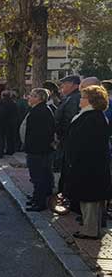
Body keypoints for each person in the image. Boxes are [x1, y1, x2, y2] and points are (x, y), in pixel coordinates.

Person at [64, 85, 111, 239]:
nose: (80, 99)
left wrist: (75, 159)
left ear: (91, 100)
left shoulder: (93, 118)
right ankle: (89, 228)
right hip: (87, 164)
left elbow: (86, 143)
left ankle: (90, 231)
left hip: (89, 166)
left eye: (83, 97)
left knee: (90, 199)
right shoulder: (89, 116)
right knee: (87, 199)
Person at [21, 88, 56, 212]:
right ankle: (37, 198)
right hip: (39, 149)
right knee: (39, 176)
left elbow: (40, 133)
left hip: (38, 151)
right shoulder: (40, 110)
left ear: (39, 98)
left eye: (31, 95)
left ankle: (40, 202)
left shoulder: (40, 111)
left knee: (38, 177)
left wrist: (30, 146)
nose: (29, 98)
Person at [54, 75, 82, 211]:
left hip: (68, 141)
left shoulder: (75, 99)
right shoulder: (69, 98)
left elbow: (69, 121)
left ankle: (68, 199)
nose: (62, 88)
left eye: (64, 85)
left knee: (68, 170)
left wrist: (61, 135)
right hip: (65, 140)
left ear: (74, 85)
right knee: (65, 170)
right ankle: (64, 196)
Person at [0, 90, 17, 159]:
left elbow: (0, 113)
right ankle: (10, 150)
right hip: (10, 123)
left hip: (0, 124)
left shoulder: (1, 102)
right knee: (9, 138)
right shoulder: (12, 102)